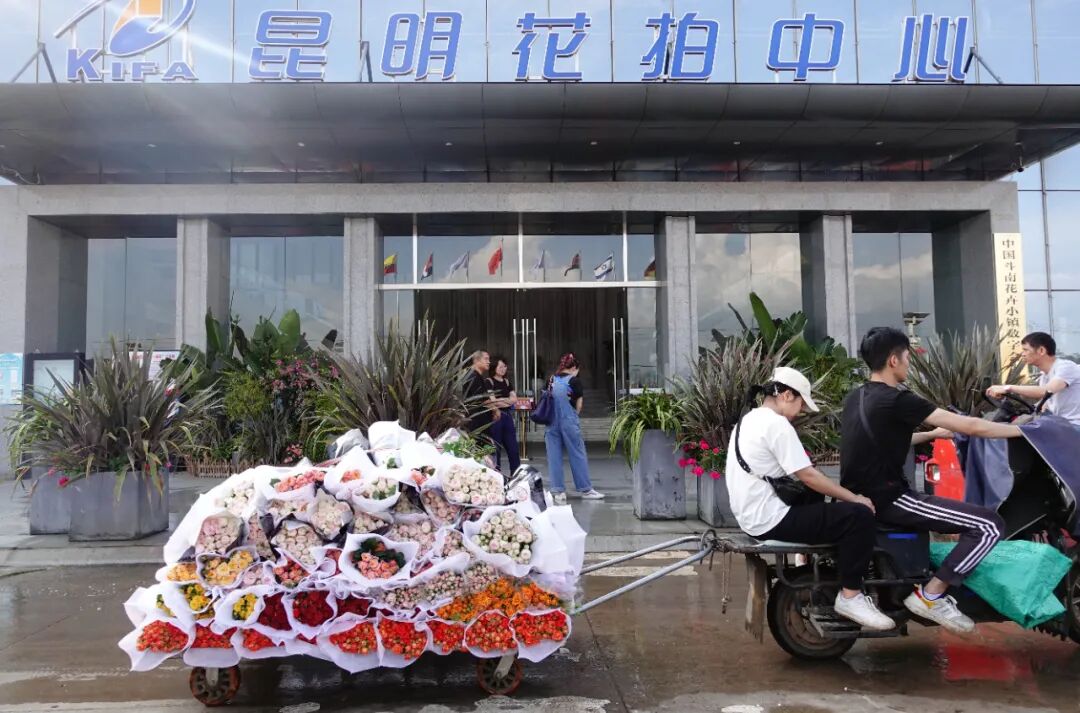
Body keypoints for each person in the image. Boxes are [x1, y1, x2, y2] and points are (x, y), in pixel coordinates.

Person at [841, 327, 1021, 634]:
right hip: (890, 499)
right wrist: (1024, 431)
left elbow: (885, 440)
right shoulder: (899, 399)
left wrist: (933, 434)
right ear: (894, 360)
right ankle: (931, 595)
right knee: (989, 525)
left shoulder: (856, 397)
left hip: (857, 495)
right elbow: (972, 426)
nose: (909, 364)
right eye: (907, 357)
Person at [727, 366, 895, 631]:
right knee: (859, 517)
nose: (801, 412)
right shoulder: (776, 424)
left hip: (752, 517)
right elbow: (808, 475)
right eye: (801, 405)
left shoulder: (747, 420)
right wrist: (855, 498)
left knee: (818, 497)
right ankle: (851, 596)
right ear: (786, 395)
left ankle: (808, 560)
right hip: (771, 519)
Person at [545, 353, 605, 505]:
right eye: (577, 370)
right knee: (577, 454)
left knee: (554, 456)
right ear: (573, 368)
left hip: (551, 422)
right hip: (569, 421)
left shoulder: (551, 379)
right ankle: (586, 489)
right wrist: (573, 417)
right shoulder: (574, 381)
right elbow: (579, 405)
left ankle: (558, 492)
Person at [986, 331, 1080, 427]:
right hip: (1061, 425)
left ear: (1041, 350)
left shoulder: (1066, 367)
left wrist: (1007, 388)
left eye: (1026, 350)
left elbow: (1046, 391)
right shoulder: (1044, 376)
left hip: (1074, 426)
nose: (1023, 354)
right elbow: (1044, 404)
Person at [488, 355, 522, 474]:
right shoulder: (489, 381)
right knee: (495, 449)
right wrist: (506, 400)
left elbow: (514, 399)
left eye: (505, 366)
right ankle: (496, 475)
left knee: (513, 448)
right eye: (500, 366)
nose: (503, 369)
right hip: (495, 417)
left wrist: (502, 400)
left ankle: (516, 474)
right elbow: (493, 401)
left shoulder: (507, 382)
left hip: (507, 417)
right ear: (494, 368)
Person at [463, 350, 496, 435]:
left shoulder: (477, 376)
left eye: (489, 359)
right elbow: (482, 399)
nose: (489, 362)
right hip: (476, 422)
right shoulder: (473, 376)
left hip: (480, 420)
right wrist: (496, 410)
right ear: (476, 360)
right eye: (486, 359)